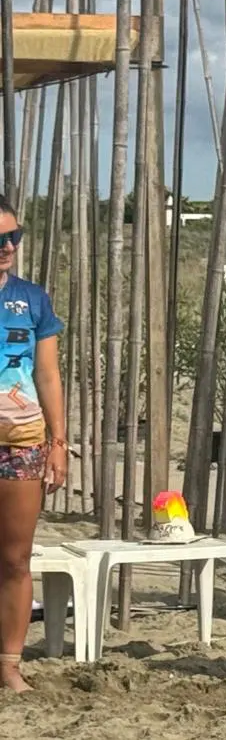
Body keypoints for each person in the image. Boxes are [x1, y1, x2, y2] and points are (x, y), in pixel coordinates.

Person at [0, 201, 66, 693]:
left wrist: (57, 442)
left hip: (21, 443)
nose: (7, 247)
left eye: (14, 236)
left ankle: (9, 665)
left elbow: (47, 375)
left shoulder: (32, 299)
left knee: (15, 559)